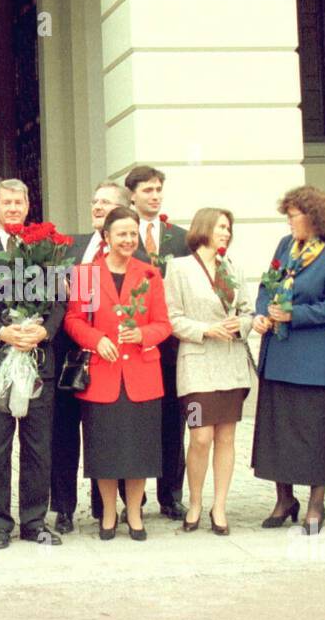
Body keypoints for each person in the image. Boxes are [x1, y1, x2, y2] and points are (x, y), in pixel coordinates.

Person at [0, 178, 65, 549]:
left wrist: (43, 332)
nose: (14, 208)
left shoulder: (47, 249)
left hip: (37, 359)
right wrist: (3, 333)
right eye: (6, 202)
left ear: (27, 205)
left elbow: (59, 302)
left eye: (19, 202)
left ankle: (34, 520)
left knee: (38, 446)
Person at [64, 206, 171, 541]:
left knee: (139, 451)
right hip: (103, 375)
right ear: (106, 237)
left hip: (141, 375)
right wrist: (97, 340)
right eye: (120, 233)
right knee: (105, 450)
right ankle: (108, 514)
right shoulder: (86, 274)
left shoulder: (149, 273)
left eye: (131, 233)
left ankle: (135, 514)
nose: (127, 239)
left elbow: (164, 324)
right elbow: (73, 320)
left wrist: (143, 335)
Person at [251, 186, 325, 535]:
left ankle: (314, 503)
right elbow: (267, 286)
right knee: (277, 431)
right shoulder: (285, 246)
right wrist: (262, 313)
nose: (290, 221)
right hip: (278, 354)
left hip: (314, 359)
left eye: (294, 215)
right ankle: (284, 499)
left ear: (313, 217)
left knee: (313, 434)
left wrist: (294, 315)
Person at [164, 207, 253, 534]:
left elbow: (249, 313)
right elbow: (172, 318)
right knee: (200, 435)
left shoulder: (233, 268)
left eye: (229, 228)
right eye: (220, 227)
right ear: (203, 228)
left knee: (226, 436)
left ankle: (219, 506)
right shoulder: (180, 268)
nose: (226, 233)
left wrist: (240, 324)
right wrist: (205, 329)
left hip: (230, 365)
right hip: (198, 367)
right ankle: (196, 501)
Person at [51, 180, 133, 533]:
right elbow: (55, 296)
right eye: (94, 201)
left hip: (112, 358)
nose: (97, 207)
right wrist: (62, 287)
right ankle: (64, 508)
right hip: (72, 356)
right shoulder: (70, 247)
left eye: (106, 202)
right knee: (64, 433)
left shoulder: (134, 254)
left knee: (107, 434)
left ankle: (107, 508)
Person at [128, 165, 190, 520]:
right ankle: (133, 498)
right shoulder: (120, 233)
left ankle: (171, 494)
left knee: (171, 421)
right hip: (130, 343)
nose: (154, 196)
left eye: (158, 190)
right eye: (147, 190)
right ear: (132, 195)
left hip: (169, 345)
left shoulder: (180, 238)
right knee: (135, 421)